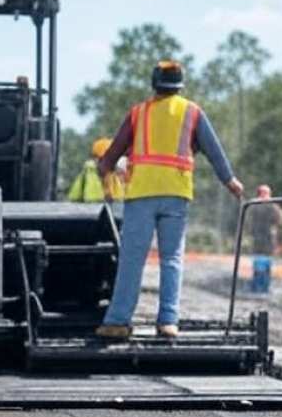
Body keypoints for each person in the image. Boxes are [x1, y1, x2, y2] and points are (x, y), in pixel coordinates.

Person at [94, 60, 244, 339]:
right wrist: (230, 181)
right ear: (179, 85)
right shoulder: (192, 112)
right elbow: (213, 150)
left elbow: (111, 156)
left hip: (141, 195)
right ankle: (167, 322)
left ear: (154, 84)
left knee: (132, 259)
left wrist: (105, 169)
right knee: (171, 259)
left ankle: (117, 321)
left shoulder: (138, 113)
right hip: (176, 194)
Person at [67, 138, 125, 202]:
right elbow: (92, 200)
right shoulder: (90, 173)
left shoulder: (112, 174)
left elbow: (117, 199)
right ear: (100, 158)